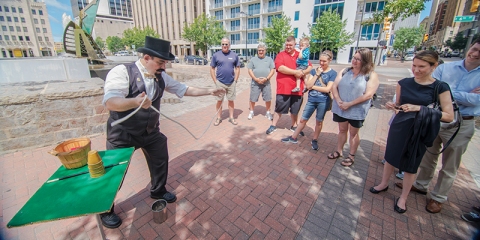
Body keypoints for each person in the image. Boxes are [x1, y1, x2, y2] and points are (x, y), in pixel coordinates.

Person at [102, 36, 225, 228]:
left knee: (160, 156)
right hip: (123, 134)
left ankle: (158, 191)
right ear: (147, 57)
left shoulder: (161, 76)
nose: (164, 67)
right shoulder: (122, 72)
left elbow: (183, 89)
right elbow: (110, 101)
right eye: (161, 62)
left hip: (150, 132)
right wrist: (134, 102)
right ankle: (105, 209)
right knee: (114, 172)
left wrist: (210, 91)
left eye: (165, 63)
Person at [396, 37, 480, 214]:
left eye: (479, 52)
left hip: (463, 121)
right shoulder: (445, 68)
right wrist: (464, 95)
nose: (474, 54)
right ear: (470, 47)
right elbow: (430, 90)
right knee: (427, 155)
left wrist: (446, 93)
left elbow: (476, 100)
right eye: (474, 48)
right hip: (433, 118)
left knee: (450, 163)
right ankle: (420, 184)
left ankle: (438, 197)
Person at [369, 50, 454, 214]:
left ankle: (403, 197)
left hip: (421, 129)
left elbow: (449, 116)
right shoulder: (404, 83)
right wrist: (393, 106)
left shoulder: (440, 87)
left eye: (421, 66)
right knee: (390, 156)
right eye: (414, 65)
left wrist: (419, 108)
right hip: (400, 126)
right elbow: (399, 105)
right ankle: (384, 183)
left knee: (411, 164)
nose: (416, 70)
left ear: (433, 66)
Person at [327, 48, 379, 167]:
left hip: (356, 110)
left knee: (353, 133)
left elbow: (368, 95)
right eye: (354, 58)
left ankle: (351, 155)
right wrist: (339, 100)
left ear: (365, 61)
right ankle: (339, 151)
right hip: (341, 107)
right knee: (342, 130)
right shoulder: (345, 71)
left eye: (358, 59)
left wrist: (349, 104)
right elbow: (334, 86)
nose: (354, 61)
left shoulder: (370, 75)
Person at [281, 50, 337, 150]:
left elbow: (327, 89)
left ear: (330, 60)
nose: (321, 63)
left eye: (324, 61)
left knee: (319, 121)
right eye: (320, 60)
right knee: (303, 119)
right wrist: (317, 74)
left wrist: (313, 87)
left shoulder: (333, 73)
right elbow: (308, 85)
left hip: (323, 101)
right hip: (311, 100)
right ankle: (293, 137)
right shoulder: (314, 71)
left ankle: (315, 139)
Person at [265, 36, 313, 135]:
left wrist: (302, 72)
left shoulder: (300, 54)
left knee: (295, 110)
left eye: (290, 45)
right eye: (287, 45)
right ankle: (273, 125)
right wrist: (296, 72)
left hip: (297, 89)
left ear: (295, 44)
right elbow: (280, 68)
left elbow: (310, 67)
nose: (288, 47)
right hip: (284, 88)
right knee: (279, 109)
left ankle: (294, 126)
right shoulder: (280, 55)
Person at [210, 38, 241, 126]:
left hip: (231, 83)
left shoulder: (234, 55)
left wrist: (235, 80)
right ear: (221, 45)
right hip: (220, 82)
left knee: (231, 100)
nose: (224, 46)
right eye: (223, 44)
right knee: (219, 101)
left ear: (229, 45)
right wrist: (215, 81)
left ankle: (231, 117)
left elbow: (238, 68)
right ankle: (219, 117)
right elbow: (212, 68)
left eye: (226, 44)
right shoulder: (216, 55)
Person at [247, 43, 275, 120]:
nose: (261, 52)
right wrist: (255, 78)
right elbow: (250, 70)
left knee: (268, 98)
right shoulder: (253, 59)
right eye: (259, 50)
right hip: (255, 82)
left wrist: (267, 78)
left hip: (266, 82)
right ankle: (251, 112)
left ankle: (268, 112)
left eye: (262, 50)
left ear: (265, 51)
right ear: (257, 51)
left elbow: (272, 70)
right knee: (253, 98)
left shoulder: (269, 59)